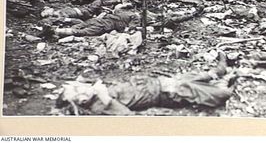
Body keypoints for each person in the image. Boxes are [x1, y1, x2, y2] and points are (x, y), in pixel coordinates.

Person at [56, 51, 237, 115]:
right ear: (81, 104)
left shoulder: (96, 92)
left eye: (79, 88)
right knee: (221, 95)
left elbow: (85, 81)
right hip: (164, 93)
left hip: (156, 82)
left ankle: (220, 70)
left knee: (194, 76)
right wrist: (107, 100)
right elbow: (128, 118)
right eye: (79, 94)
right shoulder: (100, 104)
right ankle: (226, 83)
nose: (83, 91)